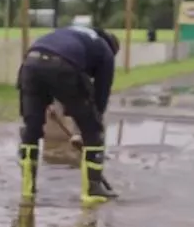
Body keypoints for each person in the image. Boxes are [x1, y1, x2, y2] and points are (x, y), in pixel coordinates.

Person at [17, 24, 121, 205]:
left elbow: (46, 60)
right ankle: (93, 190)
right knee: (94, 130)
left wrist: (42, 101)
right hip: (62, 65)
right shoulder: (105, 51)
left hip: (30, 63)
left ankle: (28, 190)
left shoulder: (73, 33)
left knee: (31, 129)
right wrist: (88, 130)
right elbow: (100, 95)